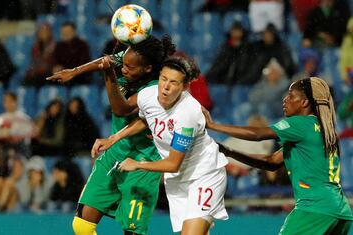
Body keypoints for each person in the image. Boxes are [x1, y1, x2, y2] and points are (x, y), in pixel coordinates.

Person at [47, 35, 176, 235]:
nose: (123, 69)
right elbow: (106, 60)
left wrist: (109, 75)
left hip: (141, 164)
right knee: (81, 226)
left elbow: (121, 109)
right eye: (122, 64)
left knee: (131, 232)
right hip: (113, 156)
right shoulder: (130, 59)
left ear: (147, 68)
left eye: (129, 68)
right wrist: (75, 71)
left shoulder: (154, 90)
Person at [92, 56, 229, 235]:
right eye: (163, 79)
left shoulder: (188, 113)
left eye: (173, 82)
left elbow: (173, 163)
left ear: (185, 87)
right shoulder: (147, 95)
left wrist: (138, 165)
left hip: (204, 175)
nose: (165, 86)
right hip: (179, 180)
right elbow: (145, 120)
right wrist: (114, 138)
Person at [202, 77, 353, 234]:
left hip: (315, 207)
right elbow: (271, 162)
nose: (285, 100)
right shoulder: (322, 130)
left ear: (305, 102)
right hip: (340, 211)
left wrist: (213, 126)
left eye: (291, 95)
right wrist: (228, 152)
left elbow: (258, 134)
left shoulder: (301, 124)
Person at [24, 23, 55, 87]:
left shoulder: (54, 46)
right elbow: (34, 61)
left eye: (46, 31)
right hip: (37, 73)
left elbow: (53, 61)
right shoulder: (36, 47)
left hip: (49, 72)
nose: (43, 33)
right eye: (42, 31)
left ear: (50, 33)